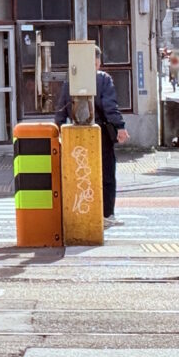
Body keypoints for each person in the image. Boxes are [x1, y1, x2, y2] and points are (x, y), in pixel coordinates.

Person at [55, 46, 129, 227]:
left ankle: (79, 212)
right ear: (97, 62)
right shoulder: (103, 79)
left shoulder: (69, 82)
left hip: (74, 135)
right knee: (106, 174)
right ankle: (106, 214)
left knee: (80, 175)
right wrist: (120, 127)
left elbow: (61, 110)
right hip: (100, 133)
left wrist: (57, 131)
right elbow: (109, 107)